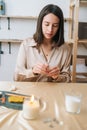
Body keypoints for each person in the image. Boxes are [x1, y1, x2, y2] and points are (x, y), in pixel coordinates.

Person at [14, 4, 72, 82]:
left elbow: (68, 79)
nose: (50, 29)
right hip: (30, 93)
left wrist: (57, 77)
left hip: (54, 93)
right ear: (40, 23)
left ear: (59, 27)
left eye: (55, 25)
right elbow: (16, 77)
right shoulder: (26, 45)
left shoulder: (66, 49)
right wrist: (32, 71)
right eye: (46, 24)